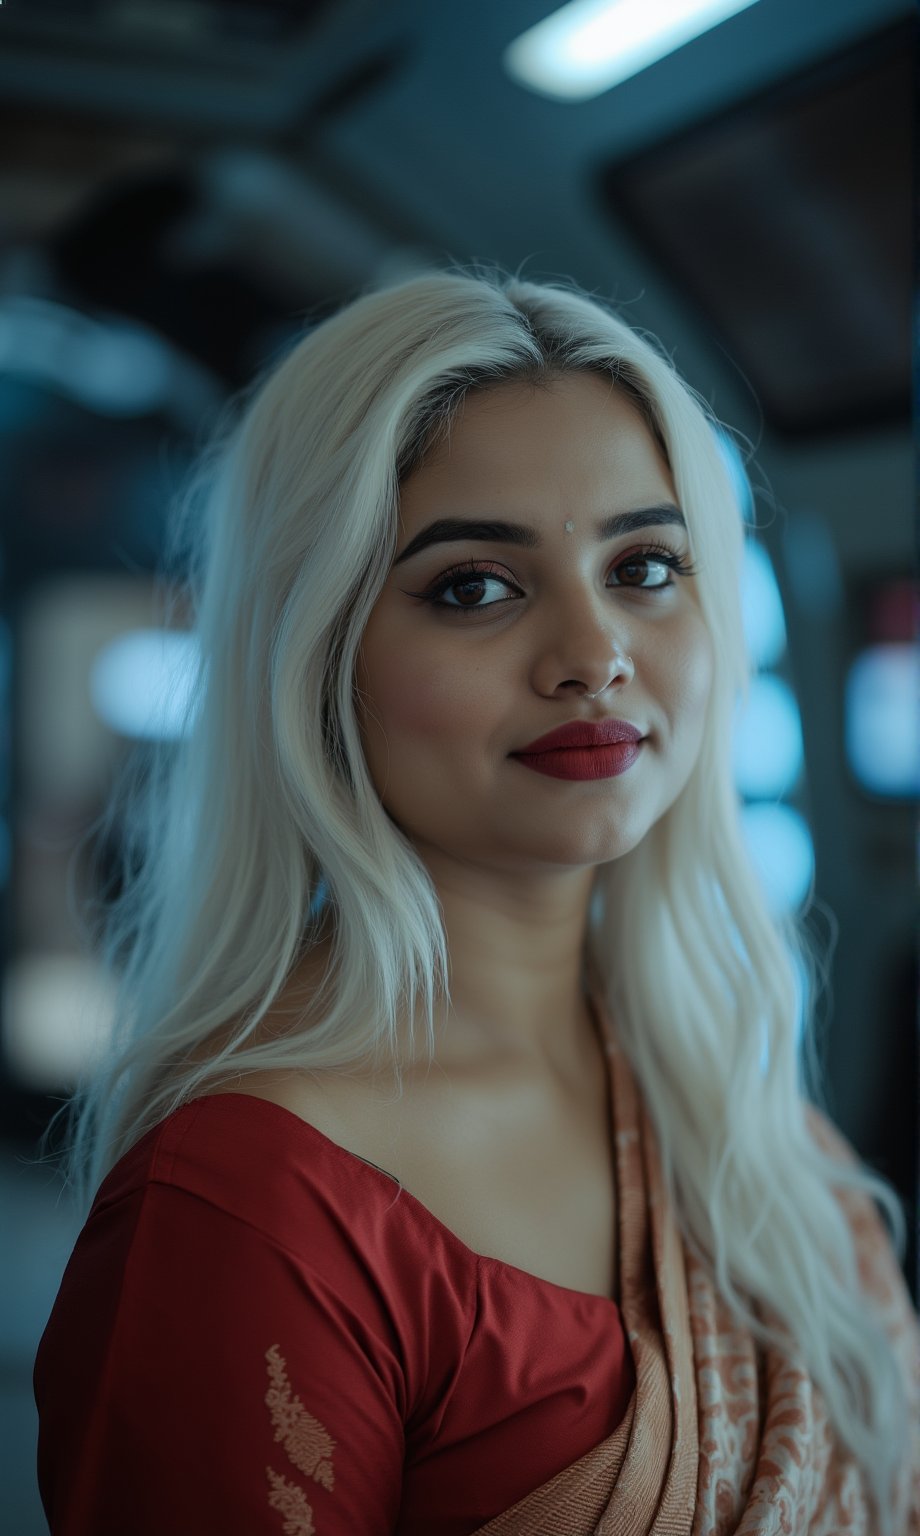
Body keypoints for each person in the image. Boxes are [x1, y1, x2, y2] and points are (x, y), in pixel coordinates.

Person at [32, 267, 919, 1535]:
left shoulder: (731, 1095)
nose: (593, 653)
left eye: (646, 565)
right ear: (316, 657)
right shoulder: (249, 1213)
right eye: (473, 588)